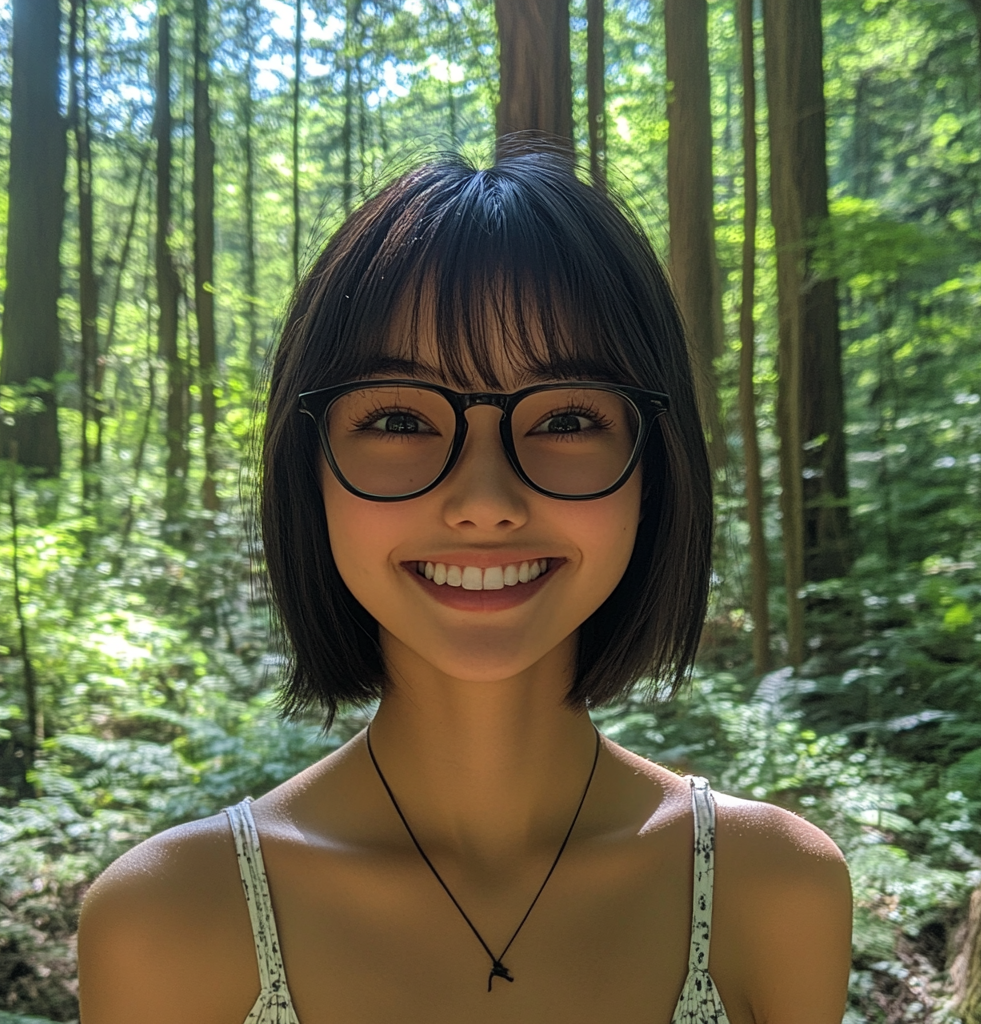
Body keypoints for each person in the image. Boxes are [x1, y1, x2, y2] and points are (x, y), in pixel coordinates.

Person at [77, 154, 852, 1024]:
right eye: (400, 418)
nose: (485, 503)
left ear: (654, 472)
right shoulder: (165, 920)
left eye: (566, 418)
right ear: (311, 472)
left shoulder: (774, 889)